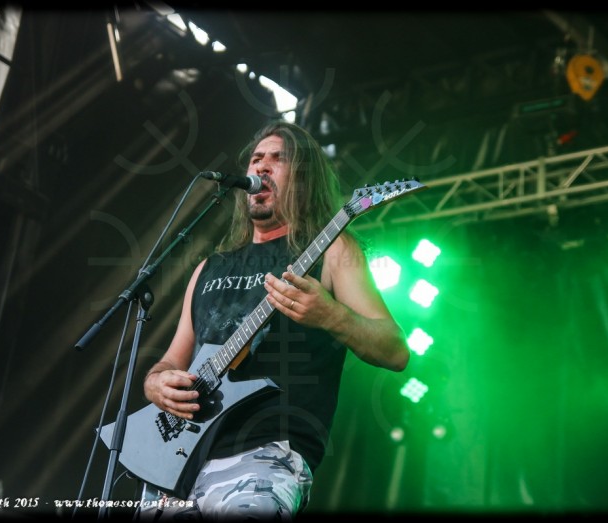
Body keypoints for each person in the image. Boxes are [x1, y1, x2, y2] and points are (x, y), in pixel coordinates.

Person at [141, 120, 409, 520]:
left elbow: (395, 350)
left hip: (267, 454)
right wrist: (155, 384)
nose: (261, 166)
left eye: (278, 159)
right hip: (179, 462)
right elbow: (171, 360)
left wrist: (332, 315)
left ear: (304, 180)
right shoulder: (208, 269)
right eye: (256, 158)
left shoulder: (334, 250)